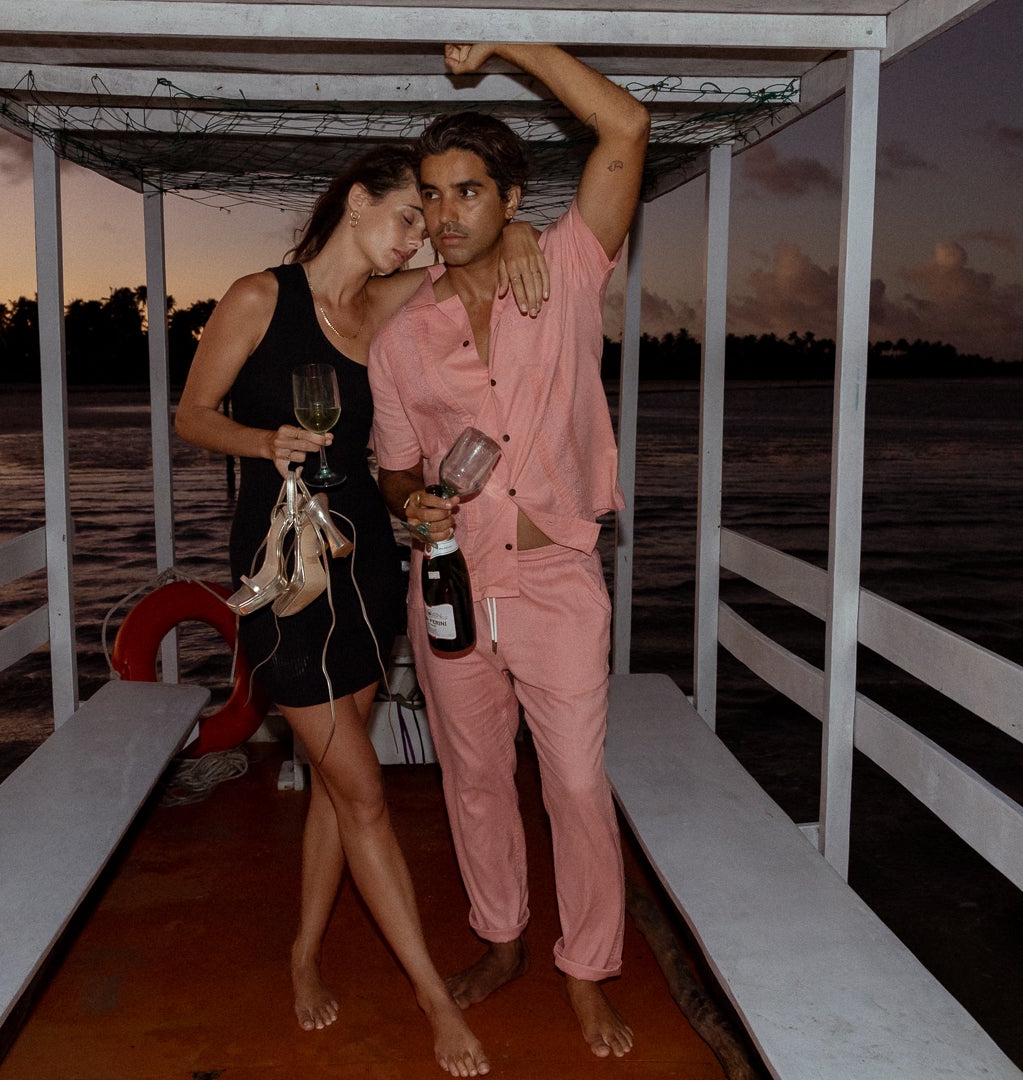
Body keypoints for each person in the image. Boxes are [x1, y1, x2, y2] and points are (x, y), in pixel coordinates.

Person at [174, 144, 545, 1077]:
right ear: (355, 200)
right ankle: (432, 1000)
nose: (418, 236)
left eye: (427, 222)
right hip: (284, 572)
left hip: (368, 569)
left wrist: (527, 225)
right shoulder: (260, 297)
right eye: (407, 216)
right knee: (367, 794)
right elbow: (190, 413)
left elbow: (479, 256)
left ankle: (304, 954)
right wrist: (263, 441)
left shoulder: (382, 305)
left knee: (341, 794)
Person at [369, 43, 650, 1059]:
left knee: (574, 781)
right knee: (474, 777)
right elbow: (393, 467)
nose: (445, 215)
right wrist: (413, 509)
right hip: (449, 580)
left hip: (555, 577)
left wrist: (509, 39)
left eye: (469, 192)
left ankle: (588, 970)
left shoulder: (566, 268)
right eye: (432, 196)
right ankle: (502, 938)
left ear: (512, 197)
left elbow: (625, 130)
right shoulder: (403, 338)